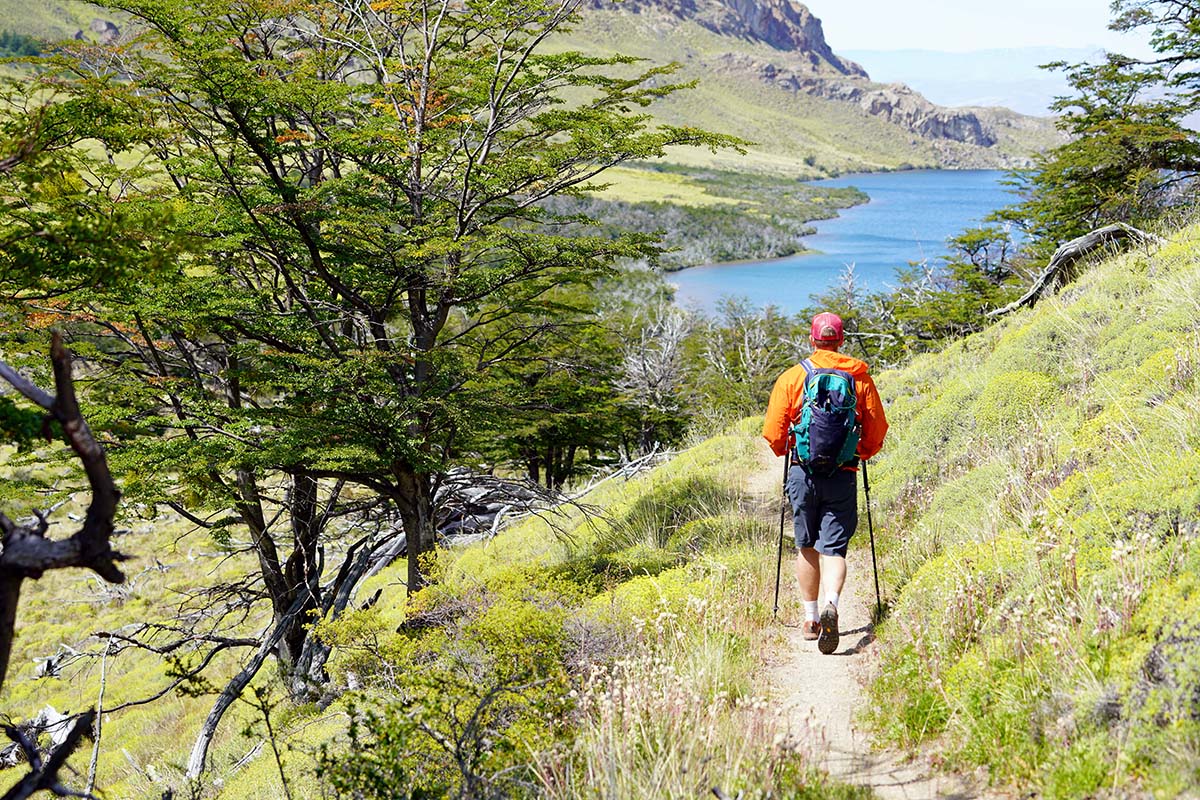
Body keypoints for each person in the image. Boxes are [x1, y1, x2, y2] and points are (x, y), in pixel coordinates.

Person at [762, 312, 888, 654]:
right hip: (843, 474)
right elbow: (876, 432)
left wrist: (787, 448)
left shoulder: (792, 378)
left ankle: (812, 618)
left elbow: (773, 434)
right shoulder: (859, 379)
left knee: (806, 543)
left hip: (803, 473)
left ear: (811, 339)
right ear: (841, 340)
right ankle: (833, 602)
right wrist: (858, 452)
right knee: (834, 547)